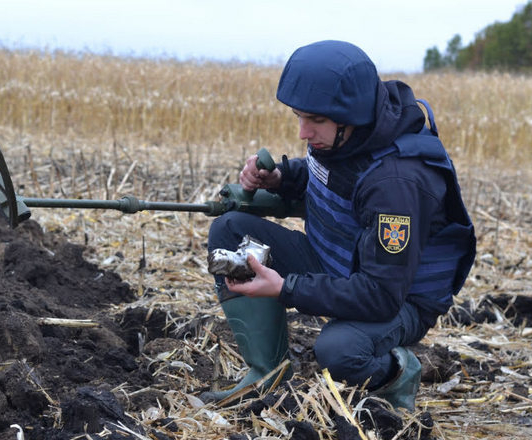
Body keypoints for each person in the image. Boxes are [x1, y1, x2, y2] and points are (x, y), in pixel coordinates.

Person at [201, 40, 476, 411]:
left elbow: (380, 296)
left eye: (315, 121)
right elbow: (328, 176)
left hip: (399, 299)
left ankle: (398, 374)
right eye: (299, 116)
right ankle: (266, 374)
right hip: (340, 265)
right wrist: (281, 177)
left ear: (352, 116)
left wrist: (286, 288)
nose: (303, 132)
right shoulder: (349, 136)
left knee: (340, 351)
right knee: (231, 231)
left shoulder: (396, 185)